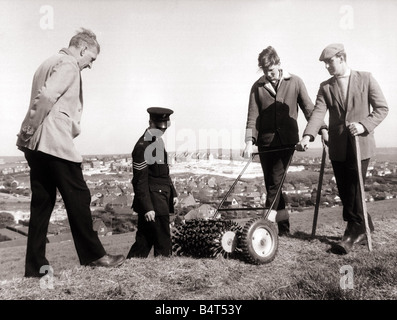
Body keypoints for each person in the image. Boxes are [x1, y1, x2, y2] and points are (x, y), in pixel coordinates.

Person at [16, 28, 125, 278]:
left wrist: (26, 136)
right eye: (92, 59)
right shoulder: (68, 64)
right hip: (53, 143)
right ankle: (94, 256)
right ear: (83, 49)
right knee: (79, 196)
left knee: (42, 205)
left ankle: (34, 267)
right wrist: (28, 128)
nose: (90, 65)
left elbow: (39, 99)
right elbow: (45, 98)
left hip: (36, 146)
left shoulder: (46, 63)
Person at [296, 43, 388, 254]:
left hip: (360, 145)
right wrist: (308, 135)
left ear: (342, 57)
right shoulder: (326, 86)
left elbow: (382, 108)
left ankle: (353, 232)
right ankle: (366, 226)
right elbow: (318, 113)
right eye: (325, 63)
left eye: (330, 61)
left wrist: (364, 124)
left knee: (355, 187)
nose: (327, 66)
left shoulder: (365, 78)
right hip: (337, 146)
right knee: (346, 190)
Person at [243, 46, 327, 236]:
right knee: (273, 185)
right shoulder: (257, 86)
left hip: (287, 142)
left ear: (279, 64)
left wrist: (322, 129)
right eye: (265, 72)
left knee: (274, 184)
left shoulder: (295, 82)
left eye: (271, 71)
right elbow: (252, 116)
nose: (269, 75)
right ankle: (284, 229)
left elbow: (308, 108)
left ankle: (264, 229)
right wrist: (249, 140)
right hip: (265, 144)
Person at [127, 107, 178, 258]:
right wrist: (148, 207)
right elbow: (140, 180)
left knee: (144, 240)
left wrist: (173, 193)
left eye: (163, 129)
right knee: (163, 240)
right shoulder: (142, 146)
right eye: (158, 128)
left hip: (161, 197)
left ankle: (130, 268)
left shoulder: (158, 142)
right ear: (150, 123)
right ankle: (165, 271)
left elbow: (164, 172)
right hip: (153, 201)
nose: (161, 132)